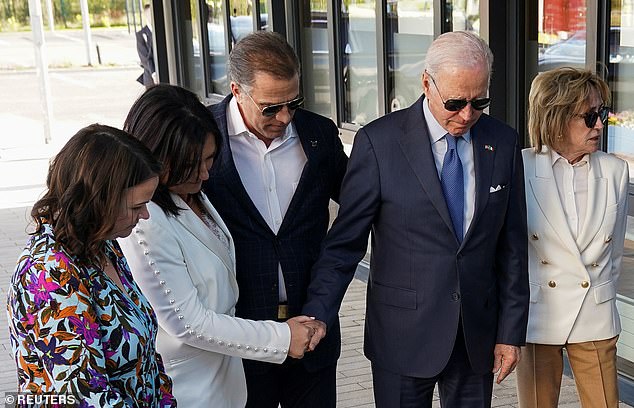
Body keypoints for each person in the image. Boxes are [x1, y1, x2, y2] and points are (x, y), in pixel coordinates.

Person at [302, 31, 529, 407]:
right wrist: (318, 313)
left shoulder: (502, 142)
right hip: (401, 337)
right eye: (455, 102)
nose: (468, 115)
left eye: (480, 102)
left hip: (474, 337)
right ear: (427, 83)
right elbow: (345, 243)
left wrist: (510, 333)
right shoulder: (379, 142)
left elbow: (512, 245)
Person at [119, 84, 318, 407]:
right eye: (190, 165)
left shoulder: (188, 194)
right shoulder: (146, 220)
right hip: (188, 388)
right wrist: (281, 338)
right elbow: (187, 322)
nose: (204, 174)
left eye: (209, 159)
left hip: (225, 380)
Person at [203, 31, 348, 408]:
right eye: (271, 107)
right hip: (241, 337)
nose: (285, 117)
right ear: (237, 90)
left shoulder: (319, 134)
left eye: (293, 103)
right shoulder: (203, 138)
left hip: (313, 332)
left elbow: (357, 207)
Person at [7, 124, 175, 406]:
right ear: (98, 200)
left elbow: (145, 357)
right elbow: (85, 397)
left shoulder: (102, 243)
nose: (145, 215)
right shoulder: (50, 273)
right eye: (136, 206)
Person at [516, 67, 629, 408]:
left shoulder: (615, 171)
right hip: (538, 315)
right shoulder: (518, 168)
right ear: (556, 117)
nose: (600, 125)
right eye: (590, 116)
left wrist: (603, 299)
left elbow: (614, 255)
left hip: (594, 316)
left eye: (603, 114)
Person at [136, 4, 156, 88]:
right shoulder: (141, 34)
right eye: (149, 13)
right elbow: (144, 57)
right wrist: (154, 73)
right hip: (150, 77)